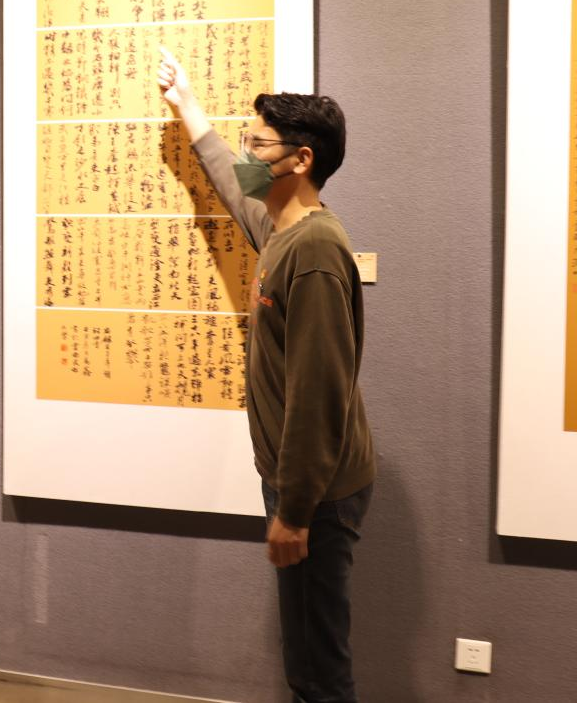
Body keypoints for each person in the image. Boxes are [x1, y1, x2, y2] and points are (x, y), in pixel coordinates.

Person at [158, 49, 376, 703]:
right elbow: (233, 185)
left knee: (316, 669)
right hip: (300, 484)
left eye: (258, 145)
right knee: (307, 654)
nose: (248, 155)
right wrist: (187, 106)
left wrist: (295, 511)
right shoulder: (282, 230)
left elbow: (318, 395)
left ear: (301, 159)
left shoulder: (314, 249)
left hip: (316, 493)